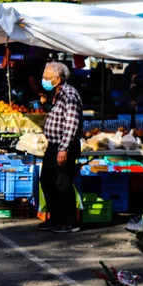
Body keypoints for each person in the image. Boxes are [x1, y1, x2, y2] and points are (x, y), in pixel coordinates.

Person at [39, 61, 83, 234]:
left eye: (46, 78)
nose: (44, 80)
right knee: (47, 181)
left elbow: (71, 125)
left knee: (63, 184)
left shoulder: (70, 95)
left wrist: (63, 149)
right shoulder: (57, 94)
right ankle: (55, 218)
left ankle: (70, 221)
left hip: (64, 147)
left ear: (57, 79)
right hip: (52, 146)